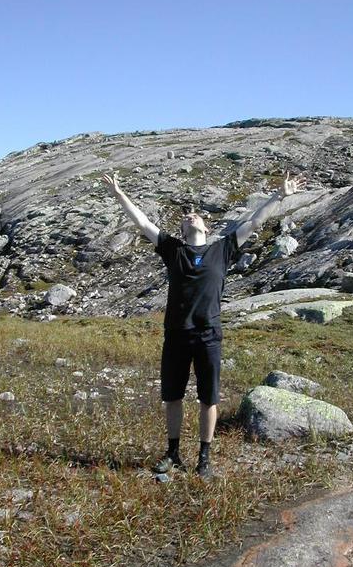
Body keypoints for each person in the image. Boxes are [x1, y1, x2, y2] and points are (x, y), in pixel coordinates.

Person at [102, 170, 305, 479]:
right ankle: (172, 454)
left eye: (195, 216)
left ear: (206, 226)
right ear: (183, 230)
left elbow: (254, 223)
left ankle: (204, 458)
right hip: (176, 335)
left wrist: (280, 196)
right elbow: (143, 223)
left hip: (208, 335)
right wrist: (120, 196)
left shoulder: (221, 249)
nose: (191, 218)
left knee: (208, 398)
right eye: (186, 218)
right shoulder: (174, 250)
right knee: (172, 396)